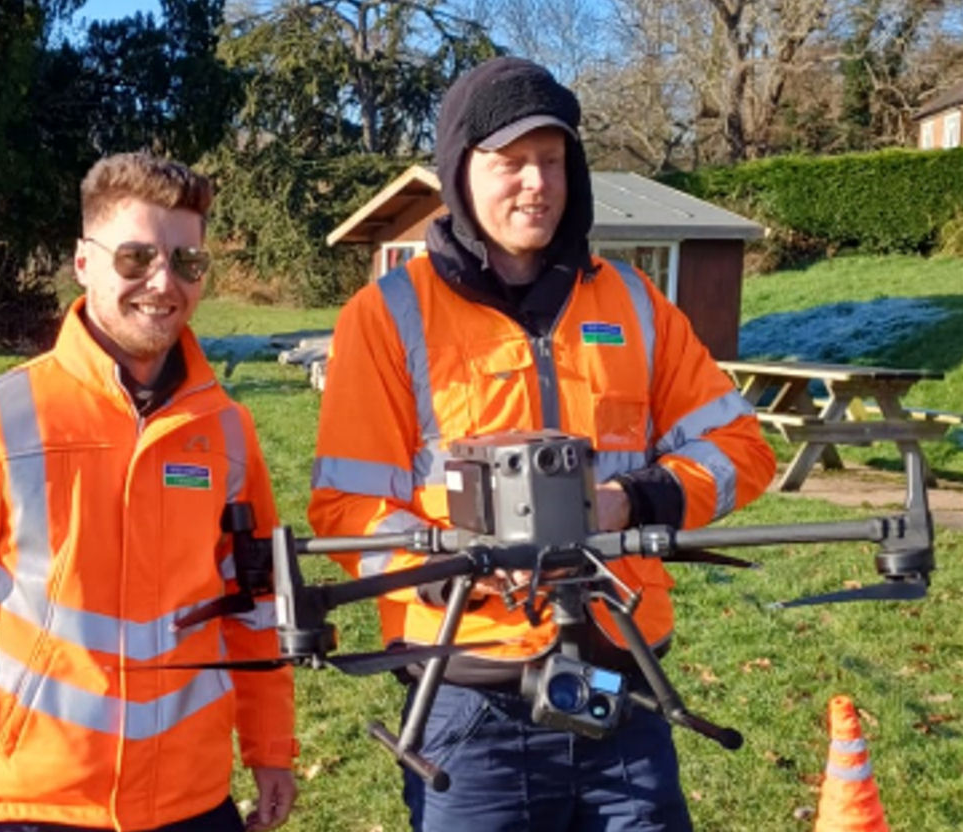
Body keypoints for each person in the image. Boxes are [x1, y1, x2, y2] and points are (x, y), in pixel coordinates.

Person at [308, 57, 776, 831]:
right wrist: (449, 571)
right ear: (462, 171)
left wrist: (635, 498)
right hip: (469, 706)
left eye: (552, 160)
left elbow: (741, 448)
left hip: (621, 691)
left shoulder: (634, 302)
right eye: (512, 162)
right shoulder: (386, 315)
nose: (536, 183)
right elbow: (346, 506)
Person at [0, 152, 298, 832]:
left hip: (193, 807)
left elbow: (256, 607)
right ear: (83, 261)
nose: (163, 282)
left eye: (188, 262)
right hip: (26, 811)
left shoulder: (228, 433)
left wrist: (270, 748)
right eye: (135, 257)